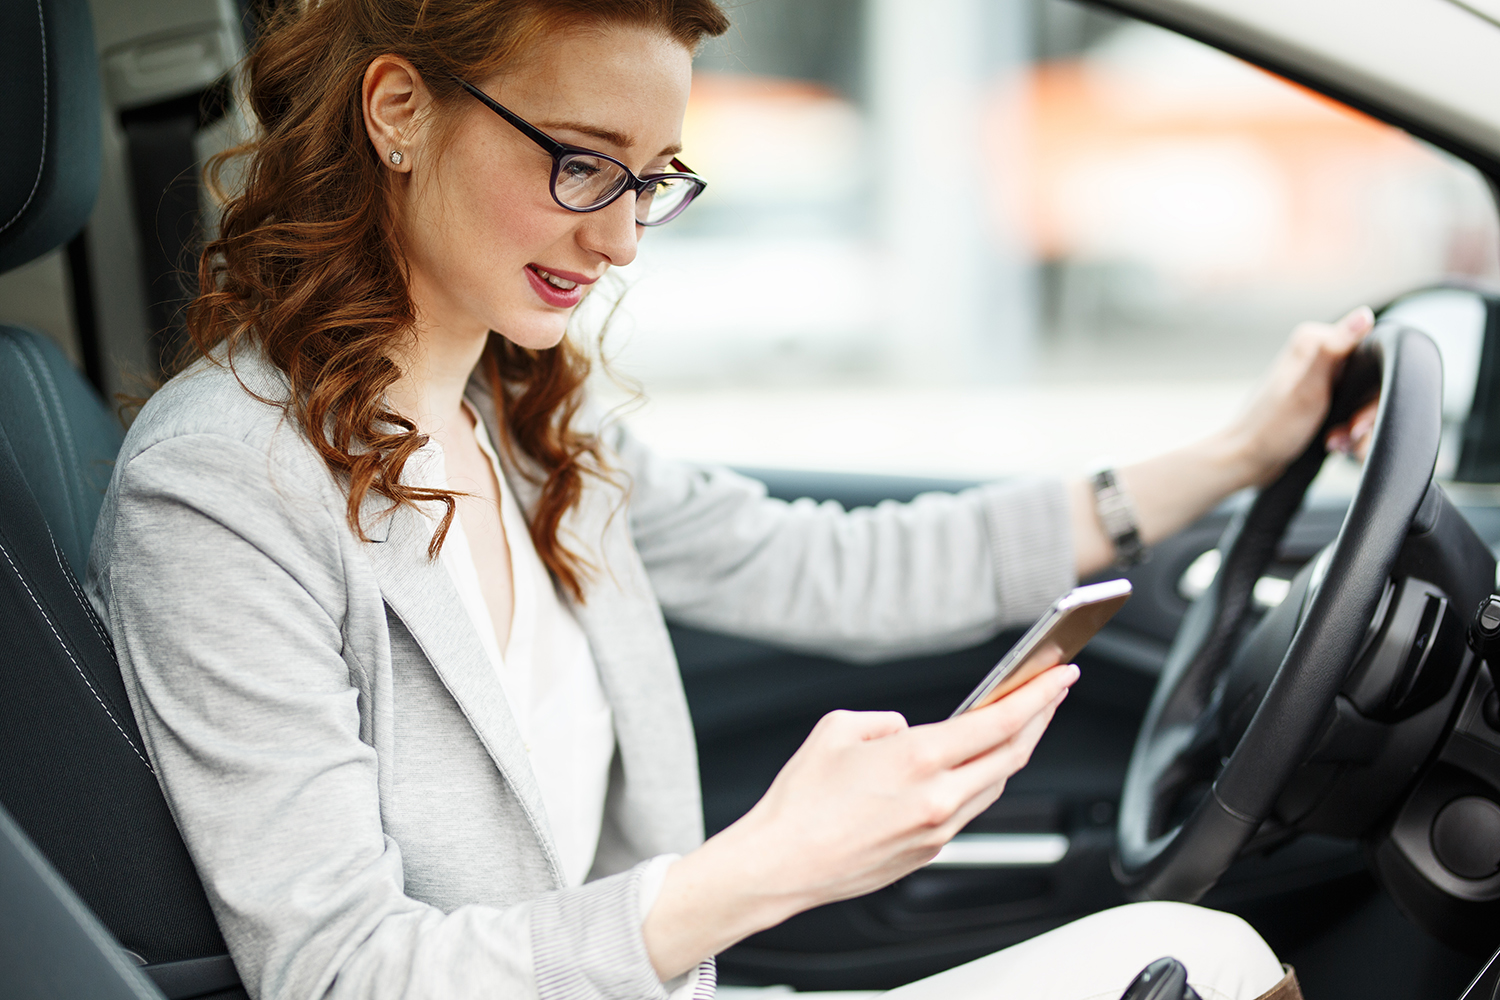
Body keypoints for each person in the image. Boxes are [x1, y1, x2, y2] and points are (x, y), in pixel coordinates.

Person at [86, 1, 1373, 998]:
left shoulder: (527, 423)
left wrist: (1241, 452)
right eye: (582, 164)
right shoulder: (218, 491)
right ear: (401, 108)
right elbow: (343, 974)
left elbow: (841, 566)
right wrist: (753, 873)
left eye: (653, 179)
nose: (622, 239)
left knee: (1190, 946)